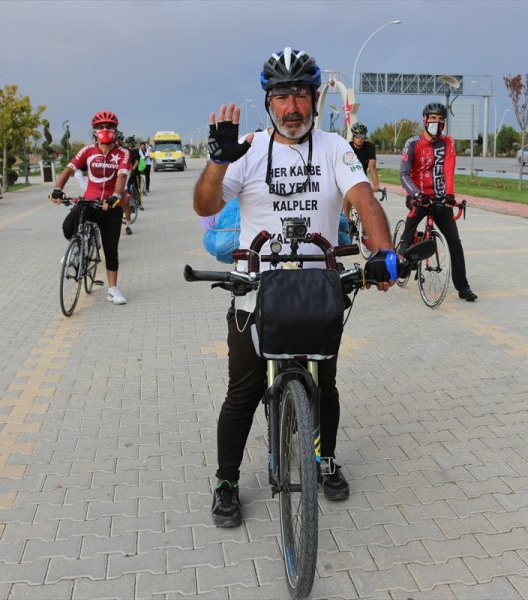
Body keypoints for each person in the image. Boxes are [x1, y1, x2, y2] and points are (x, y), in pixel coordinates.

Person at [193, 47, 396, 527]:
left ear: (314, 100)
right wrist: (219, 161)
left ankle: (324, 460)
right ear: (269, 102)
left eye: (300, 95)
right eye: (282, 96)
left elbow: (364, 200)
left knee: (325, 384)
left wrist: (384, 253)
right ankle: (225, 480)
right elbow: (204, 204)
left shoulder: (334, 148)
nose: (292, 107)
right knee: (242, 391)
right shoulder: (246, 148)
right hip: (255, 290)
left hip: (317, 289)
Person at [398, 102, 477, 302]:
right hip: (419, 197)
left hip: (440, 199)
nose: (437, 123)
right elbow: (404, 174)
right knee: (407, 237)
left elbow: (449, 169)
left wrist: (450, 195)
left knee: (454, 241)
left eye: (441, 120)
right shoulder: (413, 143)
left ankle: (463, 286)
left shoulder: (448, 142)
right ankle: (400, 261)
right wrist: (416, 194)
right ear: (425, 119)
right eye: (433, 118)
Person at [50, 110, 129, 305]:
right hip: (90, 201)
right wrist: (58, 189)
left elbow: (121, 176)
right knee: (68, 226)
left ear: (115, 130)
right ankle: (78, 247)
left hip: (111, 205)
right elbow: (69, 170)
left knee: (111, 249)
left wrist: (116, 196)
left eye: (109, 126)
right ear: (94, 130)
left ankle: (112, 290)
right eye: (101, 126)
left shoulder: (122, 153)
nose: (105, 130)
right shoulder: (87, 151)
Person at [342, 122, 380, 215]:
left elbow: (372, 167)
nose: (360, 139)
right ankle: (347, 219)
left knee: (367, 202)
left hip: (362, 178)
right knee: (348, 194)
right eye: (357, 136)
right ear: (353, 136)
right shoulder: (347, 146)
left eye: (362, 136)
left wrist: (376, 185)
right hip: (348, 176)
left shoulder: (369, 147)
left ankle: (365, 227)